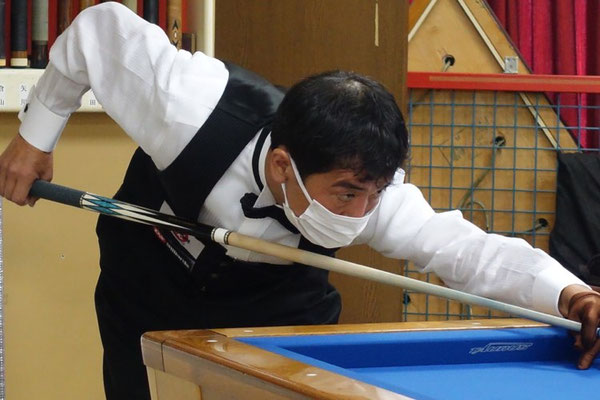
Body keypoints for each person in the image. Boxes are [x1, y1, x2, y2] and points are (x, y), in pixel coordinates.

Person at [0, 3, 598, 399]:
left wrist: (570, 294)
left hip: (279, 302)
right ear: (284, 166)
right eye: (348, 194)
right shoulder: (187, 106)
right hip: (149, 273)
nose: (362, 214)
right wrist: (34, 139)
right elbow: (97, 30)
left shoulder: (374, 195)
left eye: (375, 194)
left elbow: (468, 252)